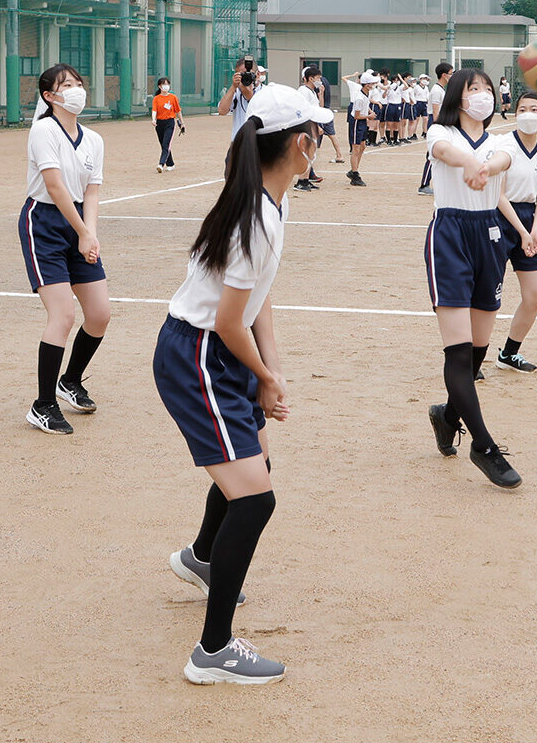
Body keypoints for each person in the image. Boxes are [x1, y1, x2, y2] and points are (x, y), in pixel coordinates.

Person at [155, 84, 331, 686]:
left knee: (249, 472)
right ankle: (213, 650)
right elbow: (229, 320)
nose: (323, 143)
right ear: (300, 145)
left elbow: (258, 299)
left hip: (219, 351)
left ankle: (202, 559)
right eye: (318, 133)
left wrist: (270, 372)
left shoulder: (271, 201)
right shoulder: (257, 213)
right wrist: (261, 374)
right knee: (255, 497)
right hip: (199, 354)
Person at [423, 68, 521, 489]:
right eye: (472, 89)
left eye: (486, 88)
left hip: (490, 237)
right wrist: (469, 162)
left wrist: (484, 166)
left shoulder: (499, 139)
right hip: (450, 236)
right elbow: (445, 152)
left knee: (479, 347)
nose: (482, 95)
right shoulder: (438, 132)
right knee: (459, 353)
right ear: (456, 97)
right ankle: (483, 446)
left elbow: (504, 160)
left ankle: (447, 415)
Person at [20, 64, 110, 432]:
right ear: (49, 96)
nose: (76, 90)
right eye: (66, 85)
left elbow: (92, 191)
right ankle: (43, 405)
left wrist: (89, 234)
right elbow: (55, 188)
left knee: (100, 314)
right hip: (43, 223)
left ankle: (70, 380)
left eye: (78, 83)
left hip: (78, 226)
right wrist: (82, 232)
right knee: (63, 316)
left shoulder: (94, 139)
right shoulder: (43, 130)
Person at [493, 92, 537, 373]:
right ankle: (469, 357)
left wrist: (536, 230)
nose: (527, 113)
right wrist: (521, 230)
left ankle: (508, 353)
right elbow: (498, 195)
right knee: (486, 293)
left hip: (529, 220)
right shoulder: (505, 145)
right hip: (500, 218)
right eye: (521, 109)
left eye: (534, 109)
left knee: (535, 295)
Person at [418, 63, 453, 196]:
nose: (452, 76)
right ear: (444, 75)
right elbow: (436, 112)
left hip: (440, 123)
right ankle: (424, 185)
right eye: (451, 73)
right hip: (436, 123)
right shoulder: (437, 90)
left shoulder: (441, 89)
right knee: (431, 155)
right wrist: (440, 127)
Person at [342, 69, 377, 187]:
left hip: (362, 121)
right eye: (371, 83)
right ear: (366, 84)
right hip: (357, 122)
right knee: (356, 148)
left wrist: (371, 111)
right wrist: (369, 116)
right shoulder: (359, 97)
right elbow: (357, 116)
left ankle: (354, 170)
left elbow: (366, 106)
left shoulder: (366, 94)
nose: (373, 85)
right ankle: (355, 174)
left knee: (362, 146)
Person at [216, 58, 259, 133]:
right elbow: (222, 111)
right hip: (239, 141)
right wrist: (233, 87)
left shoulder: (265, 92)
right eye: (242, 74)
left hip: (258, 141)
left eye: (248, 73)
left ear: (257, 74)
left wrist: (246, 91)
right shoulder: (236, 92)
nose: (246, 76)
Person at [151, 76, 183, 173]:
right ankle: (171, 163)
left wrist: (182, 123)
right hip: (159, 123)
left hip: (169, 122)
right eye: (164, 84)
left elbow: (178, 111)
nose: (166, 86)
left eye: (167, 84)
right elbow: (154, 110)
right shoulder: (156, 98)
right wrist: (153, 119)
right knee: (163, 144)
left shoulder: (173, 98)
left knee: (166, 144)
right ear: (159, 86)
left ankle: (161, 164)